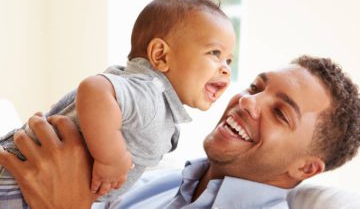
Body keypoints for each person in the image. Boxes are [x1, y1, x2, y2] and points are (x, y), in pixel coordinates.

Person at [1, 55, 359, 209]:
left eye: (280, 113)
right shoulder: (161, 179)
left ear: (306, 169)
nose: (247, 102)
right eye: (254, 87)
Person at [0, 0, 235, 206]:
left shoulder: (158, 106)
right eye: (214, 53)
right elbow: (94, 88)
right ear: (161, 55)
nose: (225, 68)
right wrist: (111, 158)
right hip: (20, 179)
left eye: (228, 60)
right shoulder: (150, 92)